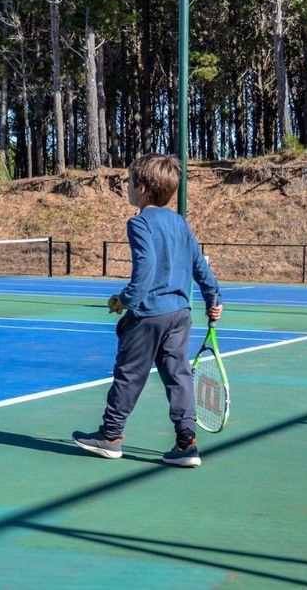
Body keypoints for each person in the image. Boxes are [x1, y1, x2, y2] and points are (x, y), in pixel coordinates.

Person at [72, 154, 223, 467]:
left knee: (129, 375)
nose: (126, 187)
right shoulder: (180, 222)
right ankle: (187, 443)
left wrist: (125, 299)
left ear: (141, 188)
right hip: (180, 314)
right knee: (179, 377)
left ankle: (110, 437)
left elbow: (146, 268)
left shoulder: (139, 223)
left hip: (149, 315)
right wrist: (214, 298)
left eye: (129, 182)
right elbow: (199, 265)